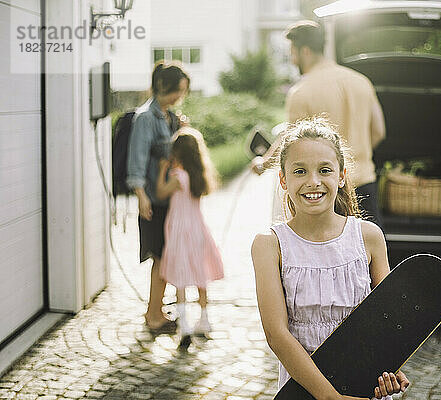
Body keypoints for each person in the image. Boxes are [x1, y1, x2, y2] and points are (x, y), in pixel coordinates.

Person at [251, 118, 409, 400]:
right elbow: (277, 333)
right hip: (304, 390)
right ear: (283, 179)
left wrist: (393, 369)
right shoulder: (270, 244)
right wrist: (330, 397)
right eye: (300, 171)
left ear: (342, 175)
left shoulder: (369, 237)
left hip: (365, 388)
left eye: (325, 170)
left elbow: (388, 321)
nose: (313, 182)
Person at [251, 20, 386, 228]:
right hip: (365, 184)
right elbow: (378, 132)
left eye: (292, 53)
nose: (292, 59)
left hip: (327, 192)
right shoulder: (361, 81)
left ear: (304, 51)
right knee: (369, 253)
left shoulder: (301, 91)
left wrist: (264, 163)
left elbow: (292, 142)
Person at [127, 61, 189, 332]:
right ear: (164, 87)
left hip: (169, 201)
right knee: (161, 258)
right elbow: (137, 161)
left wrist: (182, 130)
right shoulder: (145, 118)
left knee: (165, 257)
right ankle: (154, 317)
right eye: (179, 90)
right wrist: (141, 195)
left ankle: (155, 310)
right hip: (154, 200)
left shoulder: (169, 117)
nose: (181, 96)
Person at [156, 128, 223, 338]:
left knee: (182, 275)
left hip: (179, 231)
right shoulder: (199, 176)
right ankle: (205, 320)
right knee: (200, 274)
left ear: (178, 153)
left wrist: (161, 170)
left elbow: (160, 193)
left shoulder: (178, 177)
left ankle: (184, 324)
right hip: (198, 230)